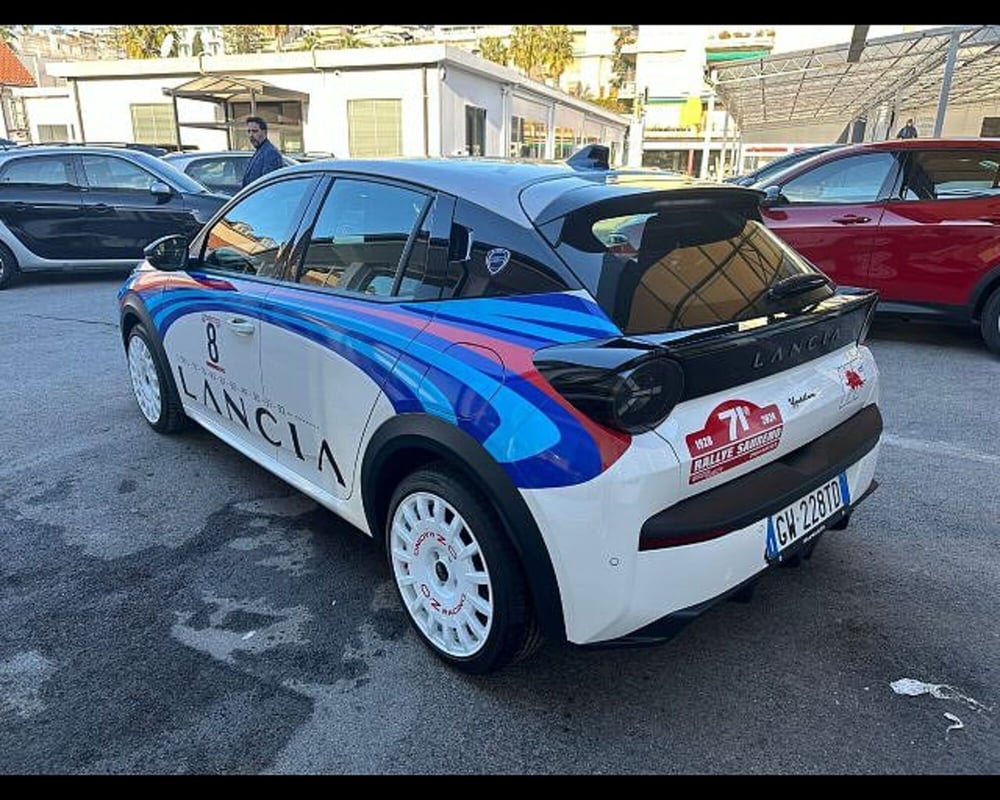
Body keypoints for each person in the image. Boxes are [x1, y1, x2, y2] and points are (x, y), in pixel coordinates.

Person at [241, 116, 284, 187]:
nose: (251, 135)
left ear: (264, 132)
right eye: (249, 131)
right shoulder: (259, 151)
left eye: (255, 131)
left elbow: (267, 184)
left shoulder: (271, 153)